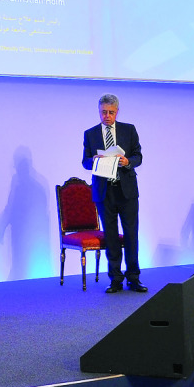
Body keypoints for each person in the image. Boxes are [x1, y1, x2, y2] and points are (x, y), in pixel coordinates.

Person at [81, 94, 145, 293]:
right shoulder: (90, 134)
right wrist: (94, 160)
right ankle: (115, 278)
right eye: (103, 112)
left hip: (126, 190)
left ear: (117, 111)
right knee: (111, 236)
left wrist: (127, 161)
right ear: (99, 111)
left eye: (111, 112)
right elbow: (84, 162)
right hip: (104, 191)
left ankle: (133, 277)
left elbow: (138, 156)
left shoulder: (129, 129)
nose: (107, 116)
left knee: (131, 234)